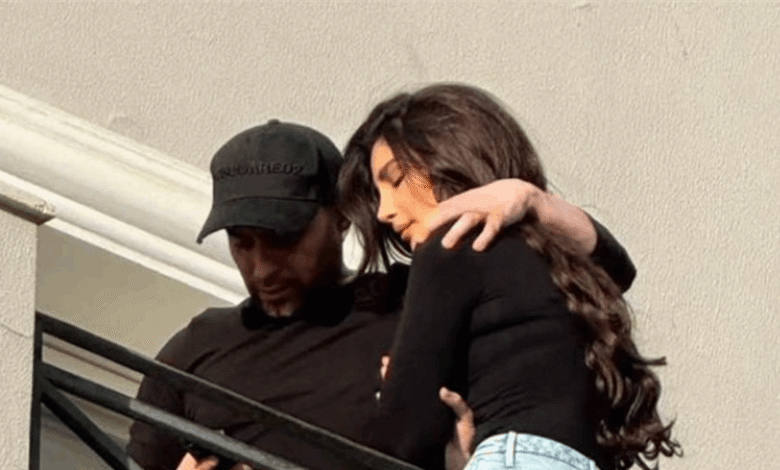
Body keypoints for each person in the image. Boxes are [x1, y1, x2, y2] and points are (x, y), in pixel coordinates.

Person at [127, 119, 638, 470]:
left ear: (340, 217)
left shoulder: (408, 301)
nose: (261, 267)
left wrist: (530, 199)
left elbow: (605, 273)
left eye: (283, 239)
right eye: (242, 243)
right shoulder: (196, 348)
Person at [337, 83, 681, 470]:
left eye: (396, 179)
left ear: (448, 156)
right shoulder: (548, 258)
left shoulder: (450, 246)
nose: (383, 211)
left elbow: (402, 435)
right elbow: (618, 267)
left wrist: (397, 386)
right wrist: (533, 198)